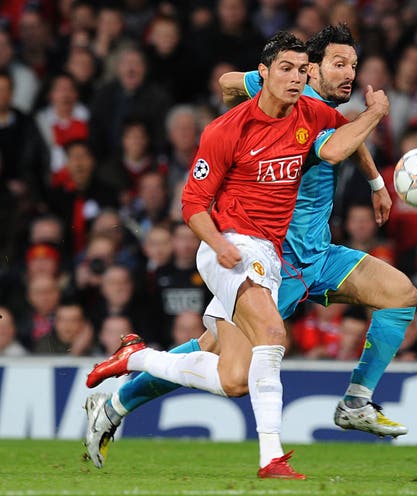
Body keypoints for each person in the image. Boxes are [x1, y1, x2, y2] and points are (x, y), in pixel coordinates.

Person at [84, 30, 390, 479]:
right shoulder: (226, 129)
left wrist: (374, 135)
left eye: (301, 70)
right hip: (230, 245)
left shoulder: (311, 113)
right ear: (262, 74)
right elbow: (191, 204)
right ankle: (272, 458)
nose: (294, 78)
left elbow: (341, 145)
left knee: (233, 380)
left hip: (266, 252)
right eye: (285, 69)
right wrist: (220, 243)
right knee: (272, 333)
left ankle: (135, 358)